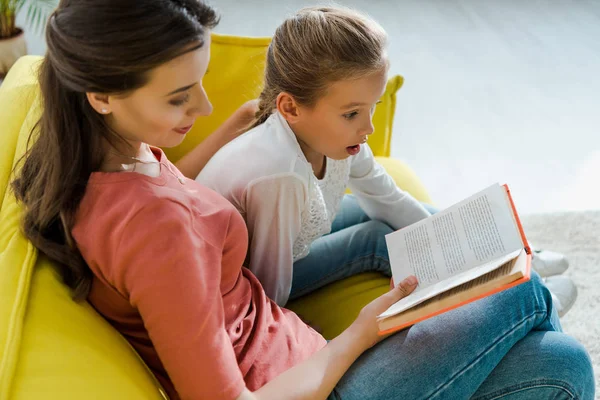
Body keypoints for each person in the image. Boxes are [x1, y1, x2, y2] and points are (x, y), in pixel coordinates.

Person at [11, 1, 594, 399]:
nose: (205, 107)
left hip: (294, 345)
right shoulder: (156, 231)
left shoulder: (102, 154)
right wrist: (360, 335)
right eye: (180, 99)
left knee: (563, 366)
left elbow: (166, 186)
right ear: (102, 95)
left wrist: (224, 133)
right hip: (322, 385)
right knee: (527, 296)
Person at [195, 5, 577, 314]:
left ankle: (511, 260)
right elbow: (268, 285)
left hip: (291, 233)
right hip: (246, 276)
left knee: (411, 213)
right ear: (291, 107)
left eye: (371, 109)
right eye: (352, 114)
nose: (369, 128)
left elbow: (388, 198)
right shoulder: (278, 175)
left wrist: (458, 243)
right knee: (376, 238)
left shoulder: (338, 139)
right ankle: (521, 303)